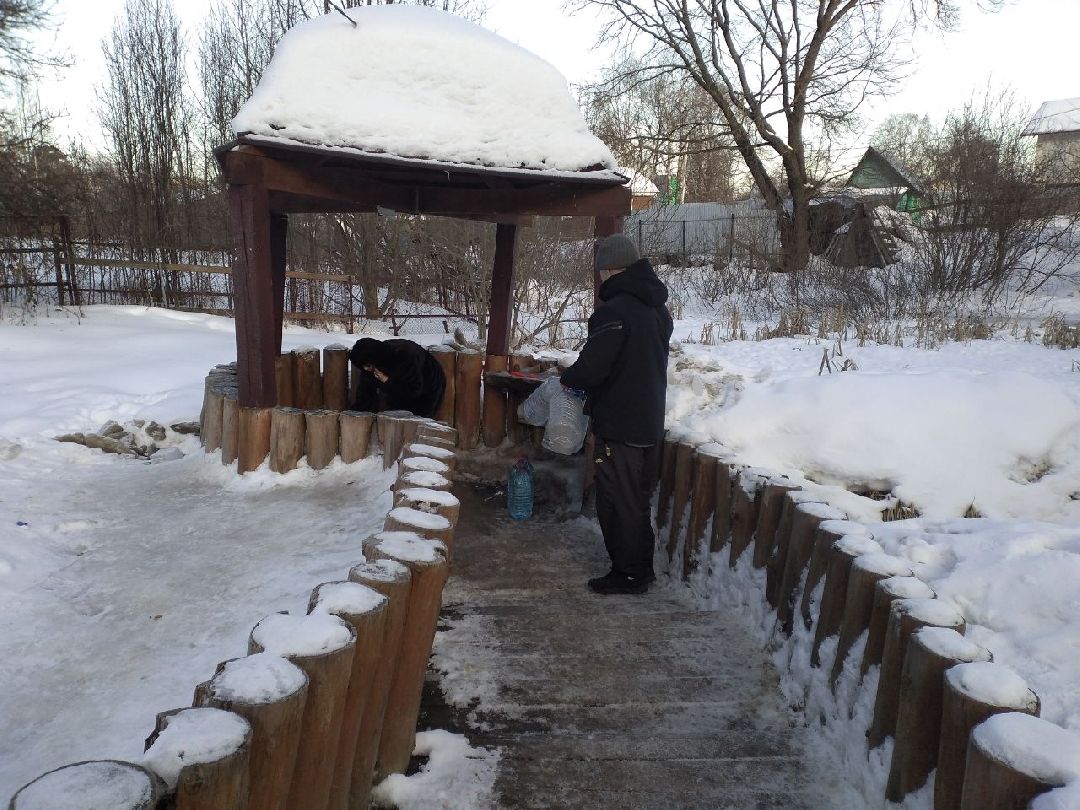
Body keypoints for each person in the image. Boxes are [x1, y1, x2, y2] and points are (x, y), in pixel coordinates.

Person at [561, 233, 673, 595]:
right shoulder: (657, 308)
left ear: (610, 269)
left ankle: (628, 574)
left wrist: (568, 379)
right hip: (649, 419)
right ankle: (638, 569)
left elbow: (594, 366)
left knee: (616, 500)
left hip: (620, 422)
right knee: (635, 499)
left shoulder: (614, 311)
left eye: (601, 269)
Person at [349, 337, 446, 418]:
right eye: (363, 366)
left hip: (428, 383)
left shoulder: (404, 357)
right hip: (400, 379)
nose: (365, 369)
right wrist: (359, 413)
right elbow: (365, 390)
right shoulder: (371, 362)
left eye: (368, 365)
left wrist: (387, 381)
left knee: (415, 417)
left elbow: (413, 391)